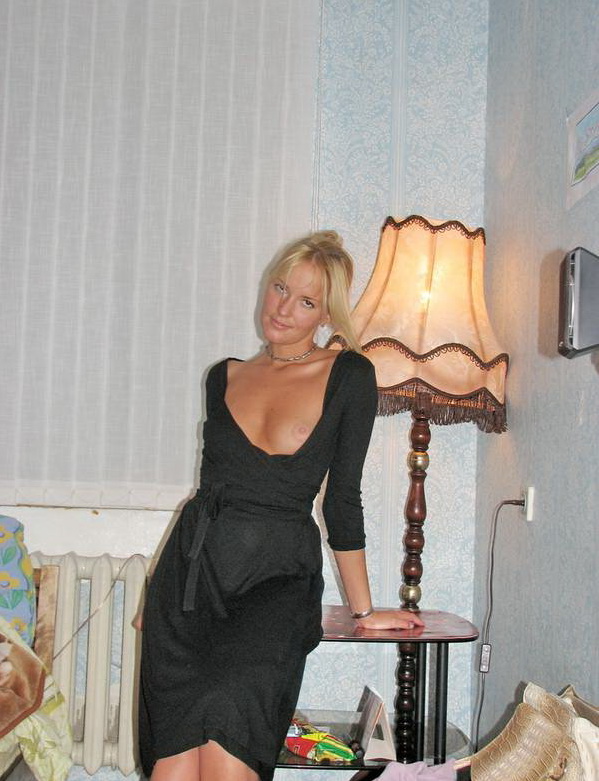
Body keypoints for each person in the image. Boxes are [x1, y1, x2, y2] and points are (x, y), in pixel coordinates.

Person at [138, 230, 424, 781]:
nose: (283, 308)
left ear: (326, 315)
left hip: (276, 584)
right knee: (172, 763)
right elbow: (204, 498)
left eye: (306, 301)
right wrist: (157, 587)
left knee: (230, 749)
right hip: (191, 585)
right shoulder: (223, 377)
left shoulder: (349, 375)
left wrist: (364, 612)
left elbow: (341, 499)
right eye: (279, 288)